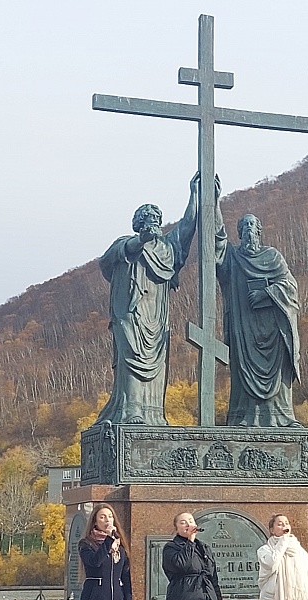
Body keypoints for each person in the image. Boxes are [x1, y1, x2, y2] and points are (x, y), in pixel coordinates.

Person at [95, 173, 199, 426]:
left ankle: (152, 414)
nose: (153, 222)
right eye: (147, 219)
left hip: (157, 318)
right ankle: (131, 411)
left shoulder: (167, 248)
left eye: (156, 219)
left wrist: (195, 194)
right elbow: (110, 259)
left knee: (158, 364)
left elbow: (187, 227)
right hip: (130, 315)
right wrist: (141, 240)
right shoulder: (126, 243)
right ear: (138, 224)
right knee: (130, 359)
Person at [216, 213, 302, 427]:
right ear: (239, 233)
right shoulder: (233, 258)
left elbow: (290, 286)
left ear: (259, 230)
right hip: (244, 330)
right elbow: (217, 243)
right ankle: (246, 417)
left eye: (252, 224)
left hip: (273, 329)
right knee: (244, 372)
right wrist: (214, 203)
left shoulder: (272, 256)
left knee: (278, 375)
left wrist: (267, 293)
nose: (248, 229)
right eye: (244, 225)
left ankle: (282, 417)